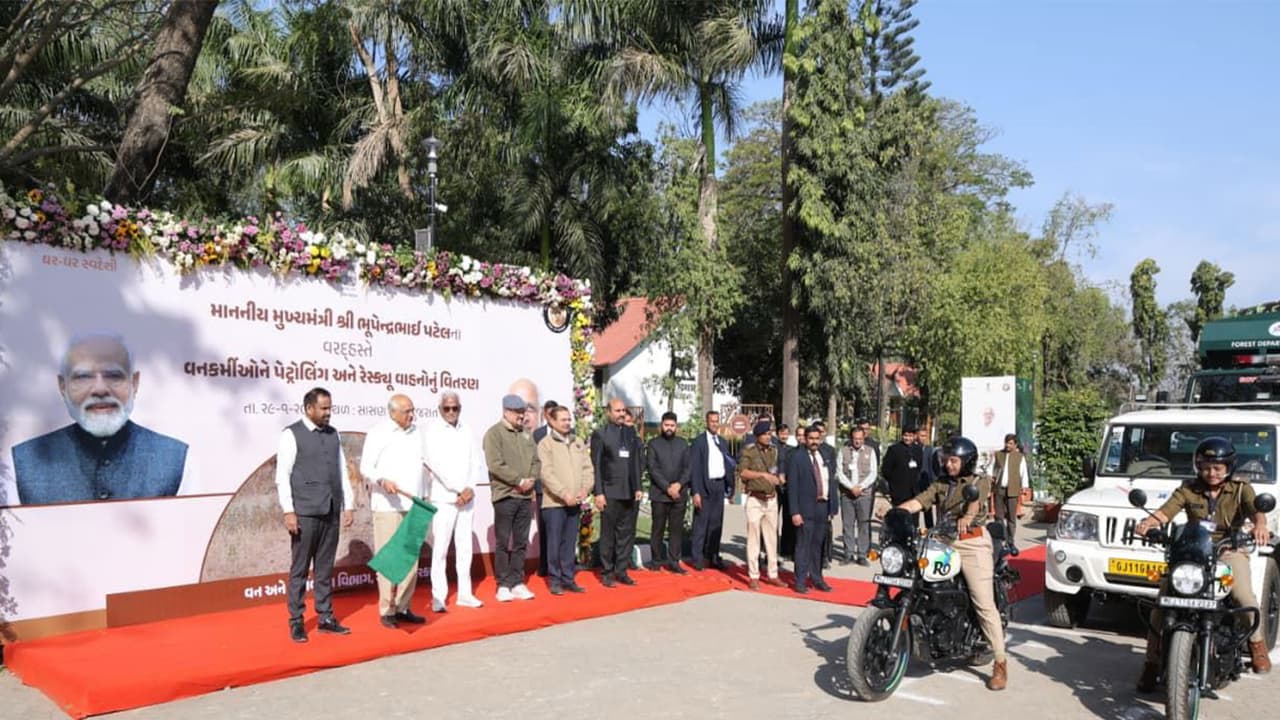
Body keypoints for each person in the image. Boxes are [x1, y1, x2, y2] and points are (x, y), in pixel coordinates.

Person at [1134, 437, 1272, 691]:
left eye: (1217, 468)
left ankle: (1257, 645)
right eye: (1206, 466)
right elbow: (1166, 512)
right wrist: (1148, 524)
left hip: (1228, 550)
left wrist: (1260, 525)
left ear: (1228, 467)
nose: (1211, 472)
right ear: (1198, 465)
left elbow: (1255, 512)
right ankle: (1151, 663)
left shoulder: (1242, 489)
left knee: (1244, 597)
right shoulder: (1188, 489)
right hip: (1193, 552)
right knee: (1162, 601)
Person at [884, 436, 1007, 691]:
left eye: (953, 460)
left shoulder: (978, 481)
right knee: (918, 580)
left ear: (966, 461)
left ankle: (1000, 662)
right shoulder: (940, 483)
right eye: (946, 460)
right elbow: (920, 501)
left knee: (983, 602)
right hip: (942, 540)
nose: (949, 464)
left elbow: (975, 501)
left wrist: (968, 516)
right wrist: (897, 511)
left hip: (971, 542)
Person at [13, 333, 188, 505]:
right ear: (63, 386)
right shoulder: (19, 464)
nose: (100, 389)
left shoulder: (179, 461)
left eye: (114, 376)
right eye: (83, 377)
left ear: (134, 383)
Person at [275, 387, 354, 643]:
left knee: (324, 569)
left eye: (330, 408)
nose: (329, 413)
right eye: (324, 408)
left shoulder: (333, 435)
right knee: (299, 569)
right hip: (305, 513)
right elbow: (282, 477)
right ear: (309, 408)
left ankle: (326, 617)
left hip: (330, 510)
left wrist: (348, 504)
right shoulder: (291, 434)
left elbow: (342, 470)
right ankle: (296, 621)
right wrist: (289, 511)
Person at [360, 394, 429, 629]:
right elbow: (366, 466)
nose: (412, 414)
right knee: (390, 559)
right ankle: (387, 609)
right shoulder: (378, 433)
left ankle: (403, 606)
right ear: (392, 413)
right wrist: (381, 479)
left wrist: (425, 494)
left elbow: (423, 465)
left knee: (410, 560)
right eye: (407, 411)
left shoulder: (417, 433)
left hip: (414, 505)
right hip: (387, 505)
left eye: (413, 409)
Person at [422, 391, 485, 611]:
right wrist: (458, 488)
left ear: (460, 408)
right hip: (444, 499)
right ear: (440, 409)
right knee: (440, 549)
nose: (451, 412)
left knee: (465, 548)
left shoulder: (466, 429)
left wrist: (470, 487)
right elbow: (434, 464)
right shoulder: (432, 430)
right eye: (447, 408)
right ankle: (438, 597)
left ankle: (465, 594)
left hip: (466, 499)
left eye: (455, 408)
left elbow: (476, 462)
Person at [483, 393, 540, 602]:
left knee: (521, 542)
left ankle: (517, 581)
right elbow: (495, 464)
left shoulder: (526, 434)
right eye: (517, 412)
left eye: (523, 412)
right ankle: (503, 584)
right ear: (506, 411)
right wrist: (518, 480)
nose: (522, 416)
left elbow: (536, 460)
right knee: (503, 542)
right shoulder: (494, 434)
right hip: (505, 496)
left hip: (525, 497)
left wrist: (532, 479)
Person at [537, 405, 593, 595]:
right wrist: (564, 494)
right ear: (552, 421)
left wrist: (585, 489)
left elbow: (587, 469)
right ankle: (554, 580)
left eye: (569, 419)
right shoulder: (545, 444)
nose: (568, 423)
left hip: (575, 502)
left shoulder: (578, 442)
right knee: (554, 543)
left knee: (570, 542)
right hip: (554, 503)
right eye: (563, 420)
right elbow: (546, 473)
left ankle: (568, 578)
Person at [591, 398, 643, 586]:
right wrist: (598, 492)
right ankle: (606, 572)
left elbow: (635, 462)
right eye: (617, 410)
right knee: (608, 535)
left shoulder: (630, 432)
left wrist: (638, 486)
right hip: (609, 491)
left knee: (626, 534)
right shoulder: (601, 434)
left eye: (623, 410)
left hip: (629, 491)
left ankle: (621, 570)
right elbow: (596, 465)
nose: (621, 414)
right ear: (609, 413)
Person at [786, 424, 837, 594]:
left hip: (822, 507)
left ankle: (817, 578)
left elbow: (831, 481)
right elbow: (792, 487)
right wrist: (794, 512)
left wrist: (832, 507)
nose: (814, 442)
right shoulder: (796, 457)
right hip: (804, 508)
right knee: (803, 545)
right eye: (811, 439)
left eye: (817, 438)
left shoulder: (825, 455)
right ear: (805, 439)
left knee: (817, 545)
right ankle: (800, 580)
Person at [738, 420, 785, 589]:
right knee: (753, 538)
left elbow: (775, 470)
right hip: (755, 500)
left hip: (771, 499)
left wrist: (778, 478)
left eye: (769, 433)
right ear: (758, 435)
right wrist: (763, 475)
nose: (768, 436)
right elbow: (743, 472)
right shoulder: (749, 451)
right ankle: (754, 575)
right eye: (765, 434)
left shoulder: (774, 451)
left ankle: (773, 574)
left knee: (772, 539)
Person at [689, 410, 736, 570]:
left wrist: (730, 487)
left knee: (716, 524)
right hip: (704, 485)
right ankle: (697, 558)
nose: (715, 424)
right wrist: (695, 492)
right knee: (701, 523)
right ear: (706, 422)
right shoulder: (699, 442)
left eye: (717, 421)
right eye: (712, 421)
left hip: (719, 485)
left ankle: (713, 556)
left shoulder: (722, 442)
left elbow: (728, 465)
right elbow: (694, 469)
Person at [646, 411, 690, 573]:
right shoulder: (653, 444)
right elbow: (653, 469)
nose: (669, 428)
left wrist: (678, 485)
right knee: (658, 528)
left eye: (672, 425)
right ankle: (656, 561)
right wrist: (667, 487)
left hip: (679, 494)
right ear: (661, 426)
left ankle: (674, 561)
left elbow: (688, 468)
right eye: (666, 425)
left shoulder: (683, 444)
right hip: (659, 494)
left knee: (676, 529)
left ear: (676, 426)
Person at [837, 427, 879, 565]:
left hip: (864, 494)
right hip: (847, 494)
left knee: (863, 525)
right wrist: (851, 487)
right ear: (851, 438)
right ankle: (848, 554)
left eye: (860, 439)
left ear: (864, 438)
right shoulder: (843, 451)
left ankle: (862, 554)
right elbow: (839, 473)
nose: (858, 441)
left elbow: (873, 473)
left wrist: (860, 487)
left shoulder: (870, 451)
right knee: (848, 525)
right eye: (855, 439)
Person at [532, 399, 559, 578]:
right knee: (544, 528)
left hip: (561, 488)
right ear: (544, 415)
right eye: (547, 414)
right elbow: (534, 462)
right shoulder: (537, 434)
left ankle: (560, 565)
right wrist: (535, 487)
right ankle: (544, 566)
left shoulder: (567, 433)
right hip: (542, 488)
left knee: (559, 529)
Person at [880, 425, 925, 526]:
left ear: (914, 436)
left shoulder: (918, 449)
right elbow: (886, 470)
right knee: (899, 519)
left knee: (913, 521)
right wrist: (893, 483)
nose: (907, 438)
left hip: (913, 492)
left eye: (910, 436)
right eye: (905, 435)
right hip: (898, 491)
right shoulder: (894, 449)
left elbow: (919, 468)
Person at [991, 434, 1029, 542]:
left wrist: (1025, 487)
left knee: (1011, 517)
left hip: (1013, 489)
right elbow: (993, 469)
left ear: (1015, 444)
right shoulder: (999, 454)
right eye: (1006, 443)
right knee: (998, 516)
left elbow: (1023, 472)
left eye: (1010, 443)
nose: (1008, 445)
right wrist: (992, 479)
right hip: (999, 489)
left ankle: (1010, 539)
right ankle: (1000, 537)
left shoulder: (1019, 457)